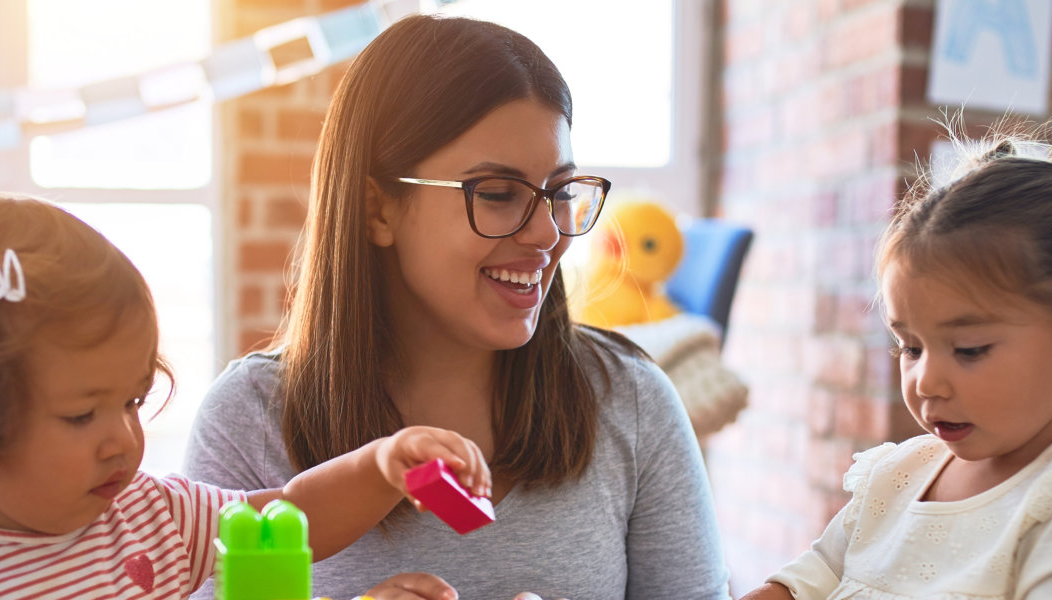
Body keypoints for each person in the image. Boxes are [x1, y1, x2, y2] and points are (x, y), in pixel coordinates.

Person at [184, 15, 728, 600]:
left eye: (561, 193)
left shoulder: (633, 401)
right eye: (497, 194)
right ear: (377, 209)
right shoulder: (249, 422)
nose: (548, 234)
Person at [0, 194, 489, 599]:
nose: (123, 438)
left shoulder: (151, 518)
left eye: (133, 401)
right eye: (82, 414)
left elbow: (288, 518)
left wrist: (378, 466)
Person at [741, 99, 1052, 599]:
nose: (925, 381)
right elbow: (811, 579)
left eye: (969, 350)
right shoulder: (898, 477)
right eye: (910, 347)